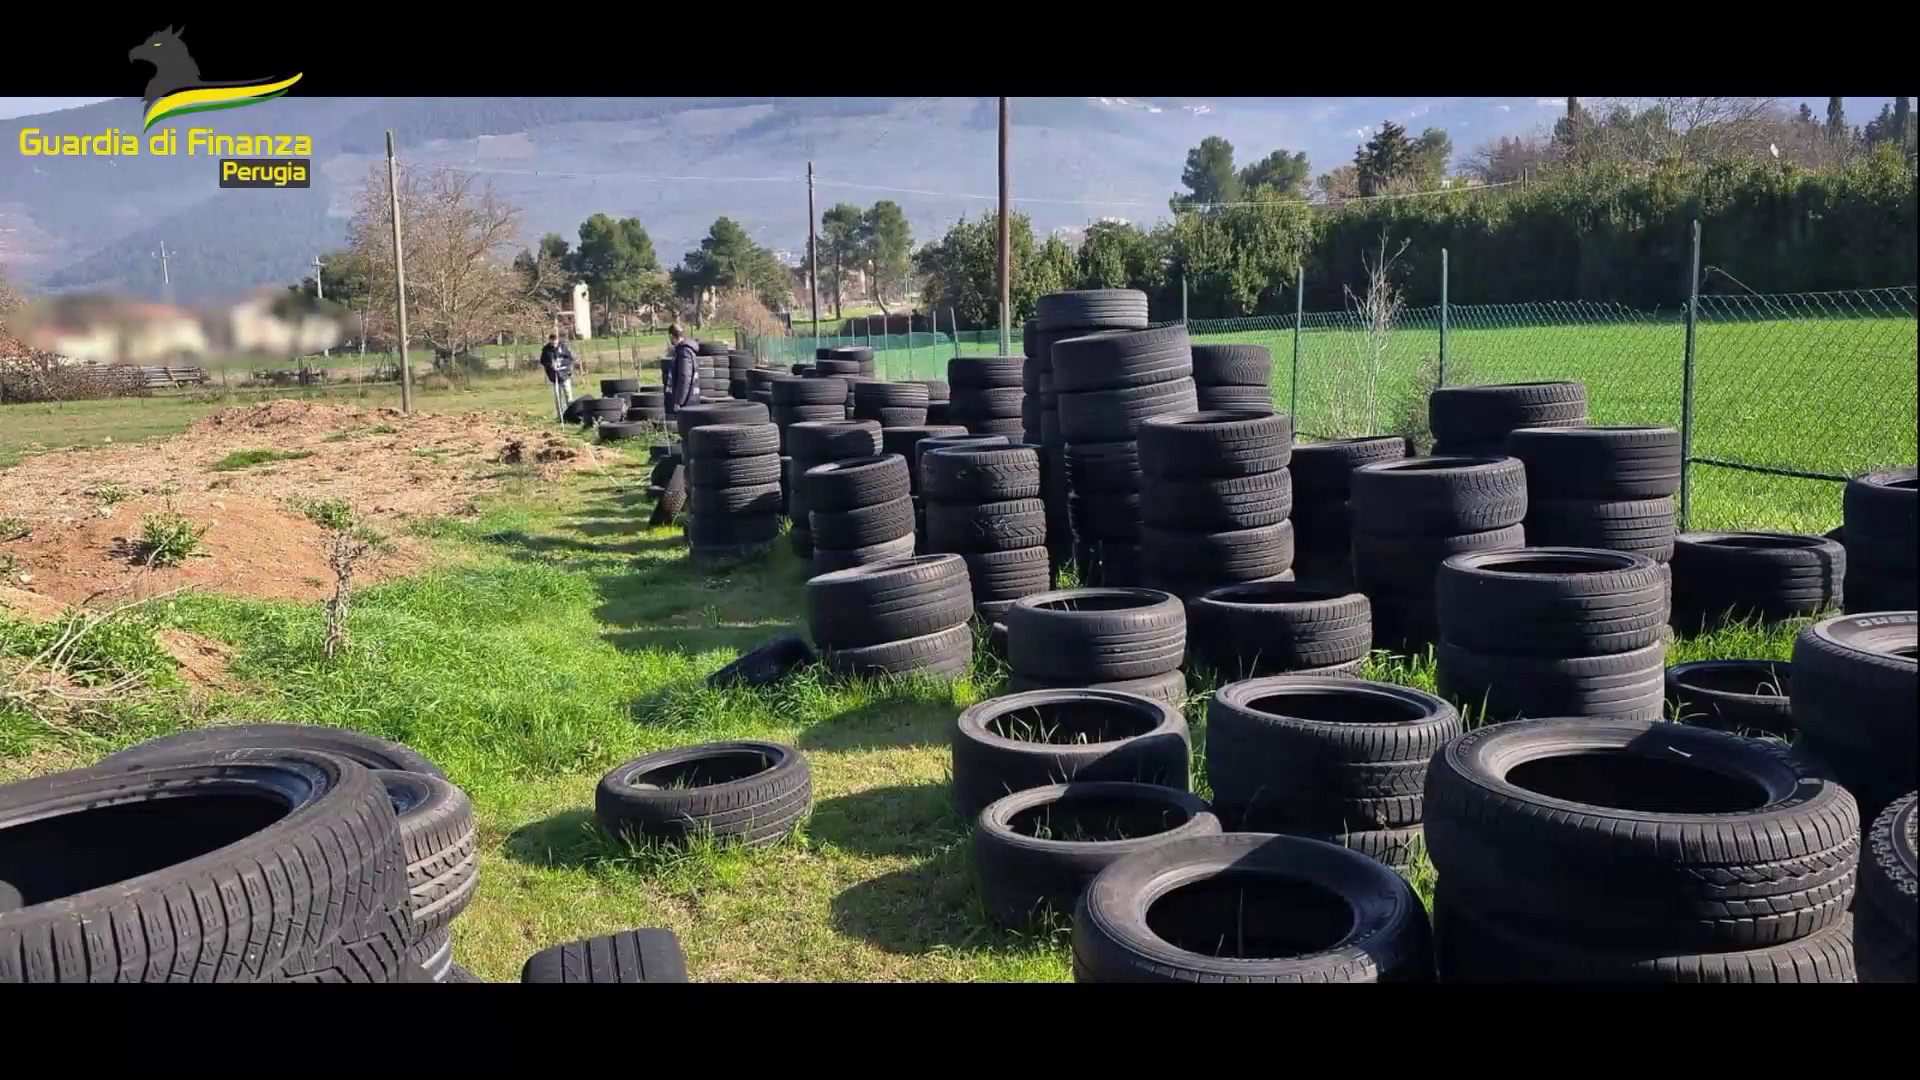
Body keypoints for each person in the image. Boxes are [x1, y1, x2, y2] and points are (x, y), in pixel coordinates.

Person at [665, 324, 701, 412]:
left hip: (687, 401)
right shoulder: (684, 350)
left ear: (671, 336)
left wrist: (679, 402)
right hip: (690, 397)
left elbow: (684, 377)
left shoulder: (684, 352)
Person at [540, 333, 575, 421]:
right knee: (557, 396)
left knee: (568, 395)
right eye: (552, 341)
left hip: (564, 375)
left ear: (557, 339)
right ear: (550, 340)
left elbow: (570, 359)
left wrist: (563, 364)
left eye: (555, 341)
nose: (554, 342)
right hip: (554, 376)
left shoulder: (563, 347)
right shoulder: (546, 349)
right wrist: (551, 365)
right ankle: (561, 417)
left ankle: (572, 415)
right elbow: (543, 361)